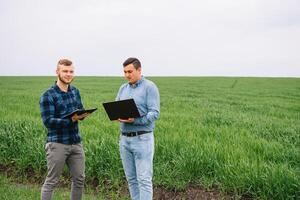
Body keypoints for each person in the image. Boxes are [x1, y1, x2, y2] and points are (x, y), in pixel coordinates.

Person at [40, 58, 89, 200]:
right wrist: (70, 120)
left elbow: (79, 111)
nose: (68, 74)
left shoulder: (75, 91)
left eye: (71, 71)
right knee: (52, 181)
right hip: (57, 143)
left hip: (75, 142)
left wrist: (83, 114)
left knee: (79, 179)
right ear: (57, 72)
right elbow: (48, 121)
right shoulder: (48, 95)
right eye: (65, 71)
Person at [116, 57, 160, 200]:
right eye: (125, 72)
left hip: (142, 139)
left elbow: (155, 113)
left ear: (139, 70)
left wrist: (135, 120)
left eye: (130, 71)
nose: (127, 75)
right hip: (124, 140)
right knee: (131, 179)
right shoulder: (123, 88)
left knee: (144, 180)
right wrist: (117, 114)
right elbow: (116, 107)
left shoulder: (150, 87)